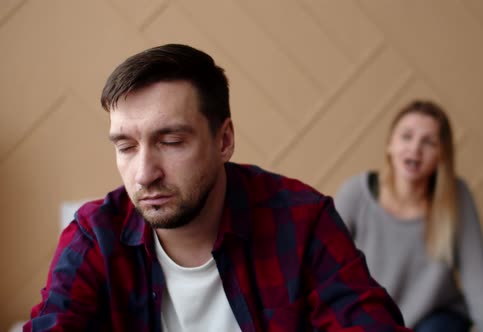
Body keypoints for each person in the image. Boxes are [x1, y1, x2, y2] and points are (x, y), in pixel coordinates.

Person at [25, 44, 410, 332]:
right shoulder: (95, 237)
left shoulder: (301, 220)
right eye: (125, 147)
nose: (143, 174)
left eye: (171, 141)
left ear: (223, 140)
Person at [335, 100, 483, 332]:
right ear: (389, 144)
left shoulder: (457, 197)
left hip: (436, 317)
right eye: (406, 137)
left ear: (441, 154)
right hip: (374, 316)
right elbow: (325, 272)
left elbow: (479, 282)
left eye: (428, 142)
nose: (415, 149)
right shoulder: (355, 194)